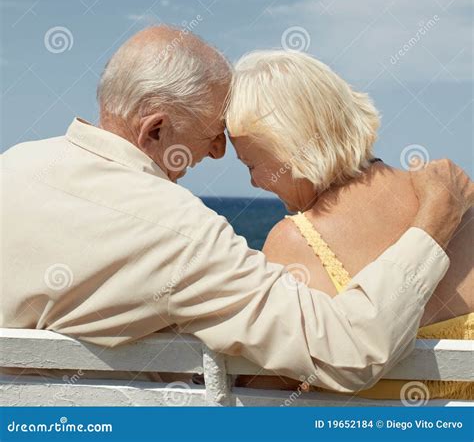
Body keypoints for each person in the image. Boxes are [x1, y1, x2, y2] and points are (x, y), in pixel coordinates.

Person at [1, 26, 472, 395]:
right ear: (157, 130)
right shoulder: (178, 230)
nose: (218, 154)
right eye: (211, 134)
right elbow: (351, 352)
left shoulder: (13, 167)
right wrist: (435, 220)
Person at [226, 49, 473, 400]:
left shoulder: (295, 241)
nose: (253, 183)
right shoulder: (455, 202)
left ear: (289, 147)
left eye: (250, 164)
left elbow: (262, 391)